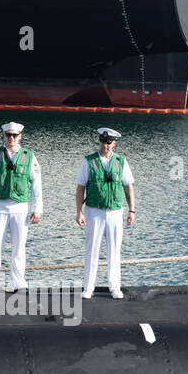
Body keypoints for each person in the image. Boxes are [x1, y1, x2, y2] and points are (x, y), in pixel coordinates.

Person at [0, 121, 42, 291]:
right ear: (4, 136)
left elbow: (36, 185)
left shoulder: (29, 156)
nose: (11, 138)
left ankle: (19, 283)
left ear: (20, 136)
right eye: (8, 135)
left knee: (19, 248)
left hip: (20, 207)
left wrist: (37, 208)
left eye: (14, 135)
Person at [75, 127, 135, 300]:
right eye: (103, 141)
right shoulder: (89, 161)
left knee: (114, 251)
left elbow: (128, 187)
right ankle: (88, 287)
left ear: (114, 143)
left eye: (109, 142)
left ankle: (114, 287)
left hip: (115, 211)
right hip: (94, 210)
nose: (105, 145)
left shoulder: (121, 162)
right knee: (92, 250)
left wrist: (132, 210)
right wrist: (79, 212)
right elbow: (80, 188)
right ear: (99, 141)